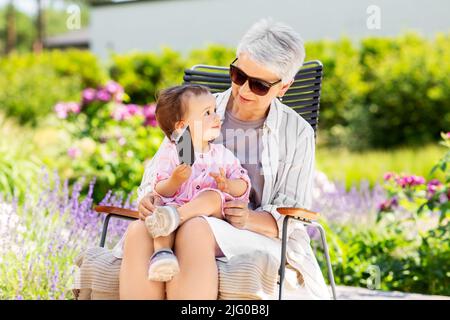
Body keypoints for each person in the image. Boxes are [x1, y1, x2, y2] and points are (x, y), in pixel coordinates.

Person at [115, 17, 330, 300]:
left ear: (283, 88)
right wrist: (150, 198)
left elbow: (295, 215)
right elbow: (169, 167)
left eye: (259, 86)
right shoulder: (201, 110)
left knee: (194, 229)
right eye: (238, 75)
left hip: (251, 234)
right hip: (179, 214)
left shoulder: (295, 132)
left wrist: (248, 218)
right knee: (138, 233)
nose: (242, 90)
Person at [144, 85, 251, 282]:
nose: (216, 117)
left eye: (215, 111)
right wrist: (174, 181)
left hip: (212, 217)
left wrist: (228, 184)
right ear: (181, 126)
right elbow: (160, 188)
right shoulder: (173, 151)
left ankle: (175, 217)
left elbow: (243, 184)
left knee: (210, 196)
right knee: (163, 210)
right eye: (207, 113)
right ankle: (162, 255)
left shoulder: (221, 154)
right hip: (177, 209)